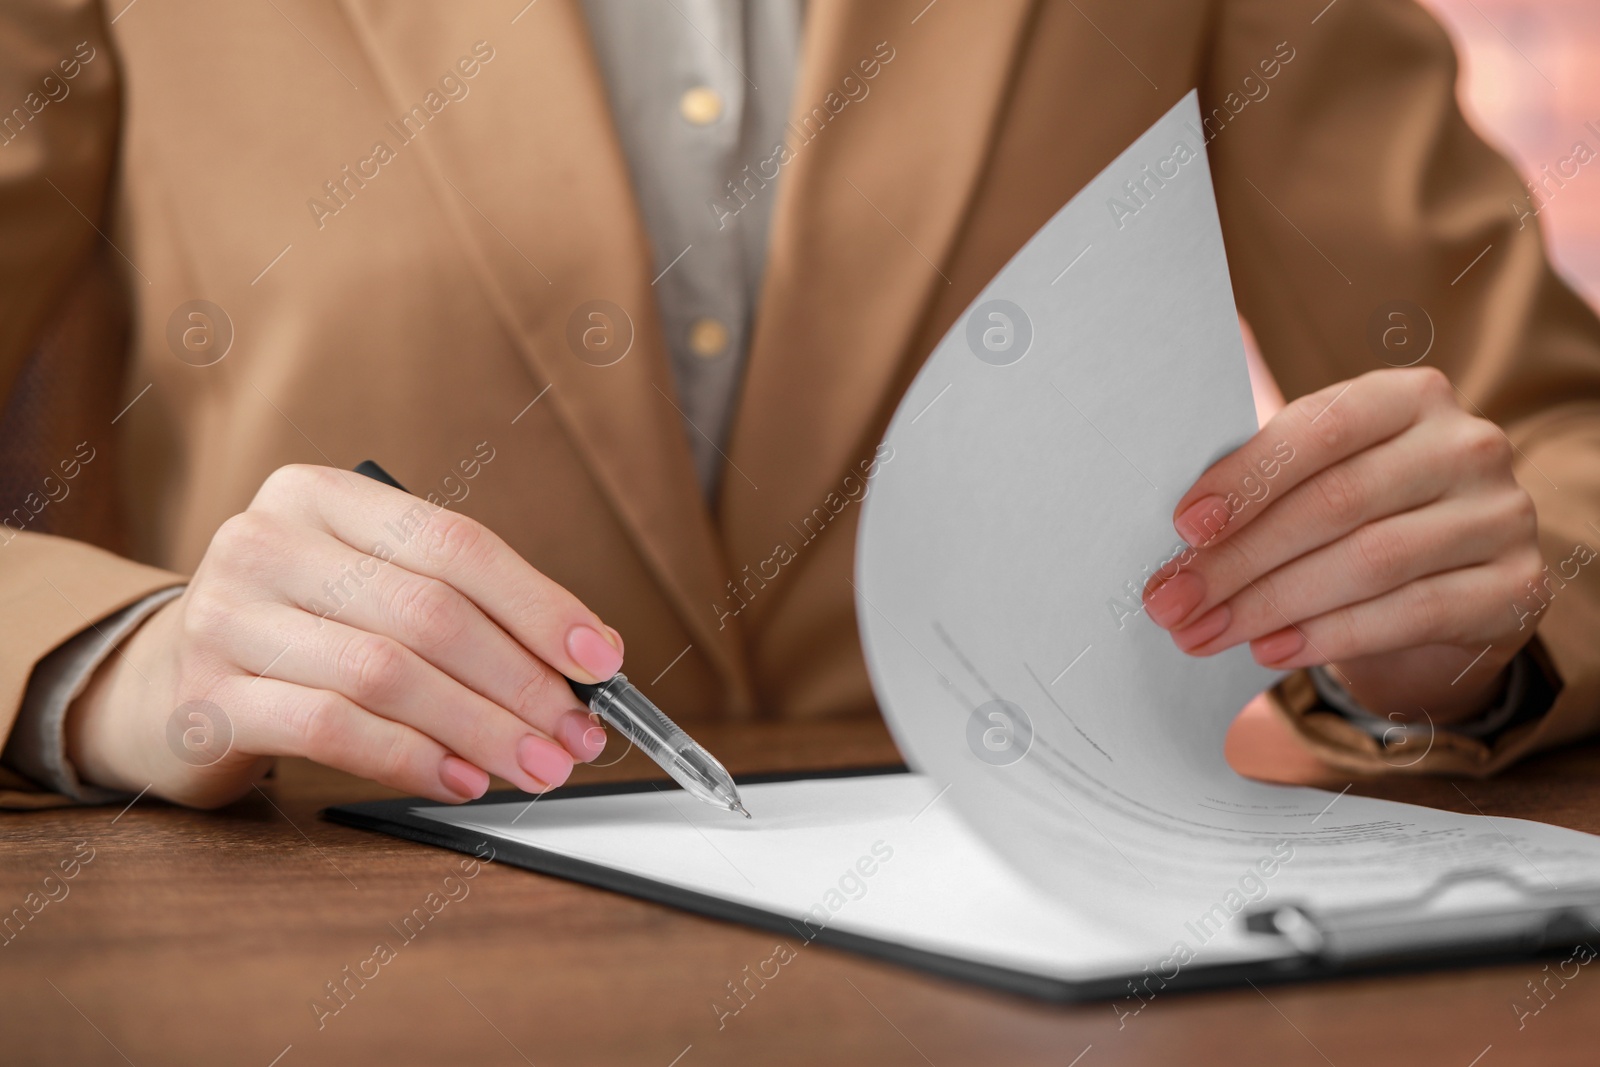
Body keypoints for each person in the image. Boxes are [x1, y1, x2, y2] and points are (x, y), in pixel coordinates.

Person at [1, 0, 1596, 811]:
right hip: (319, 969)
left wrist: (1461, 641)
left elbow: (1557, 443)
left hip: (1058, 971)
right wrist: (129, 660)